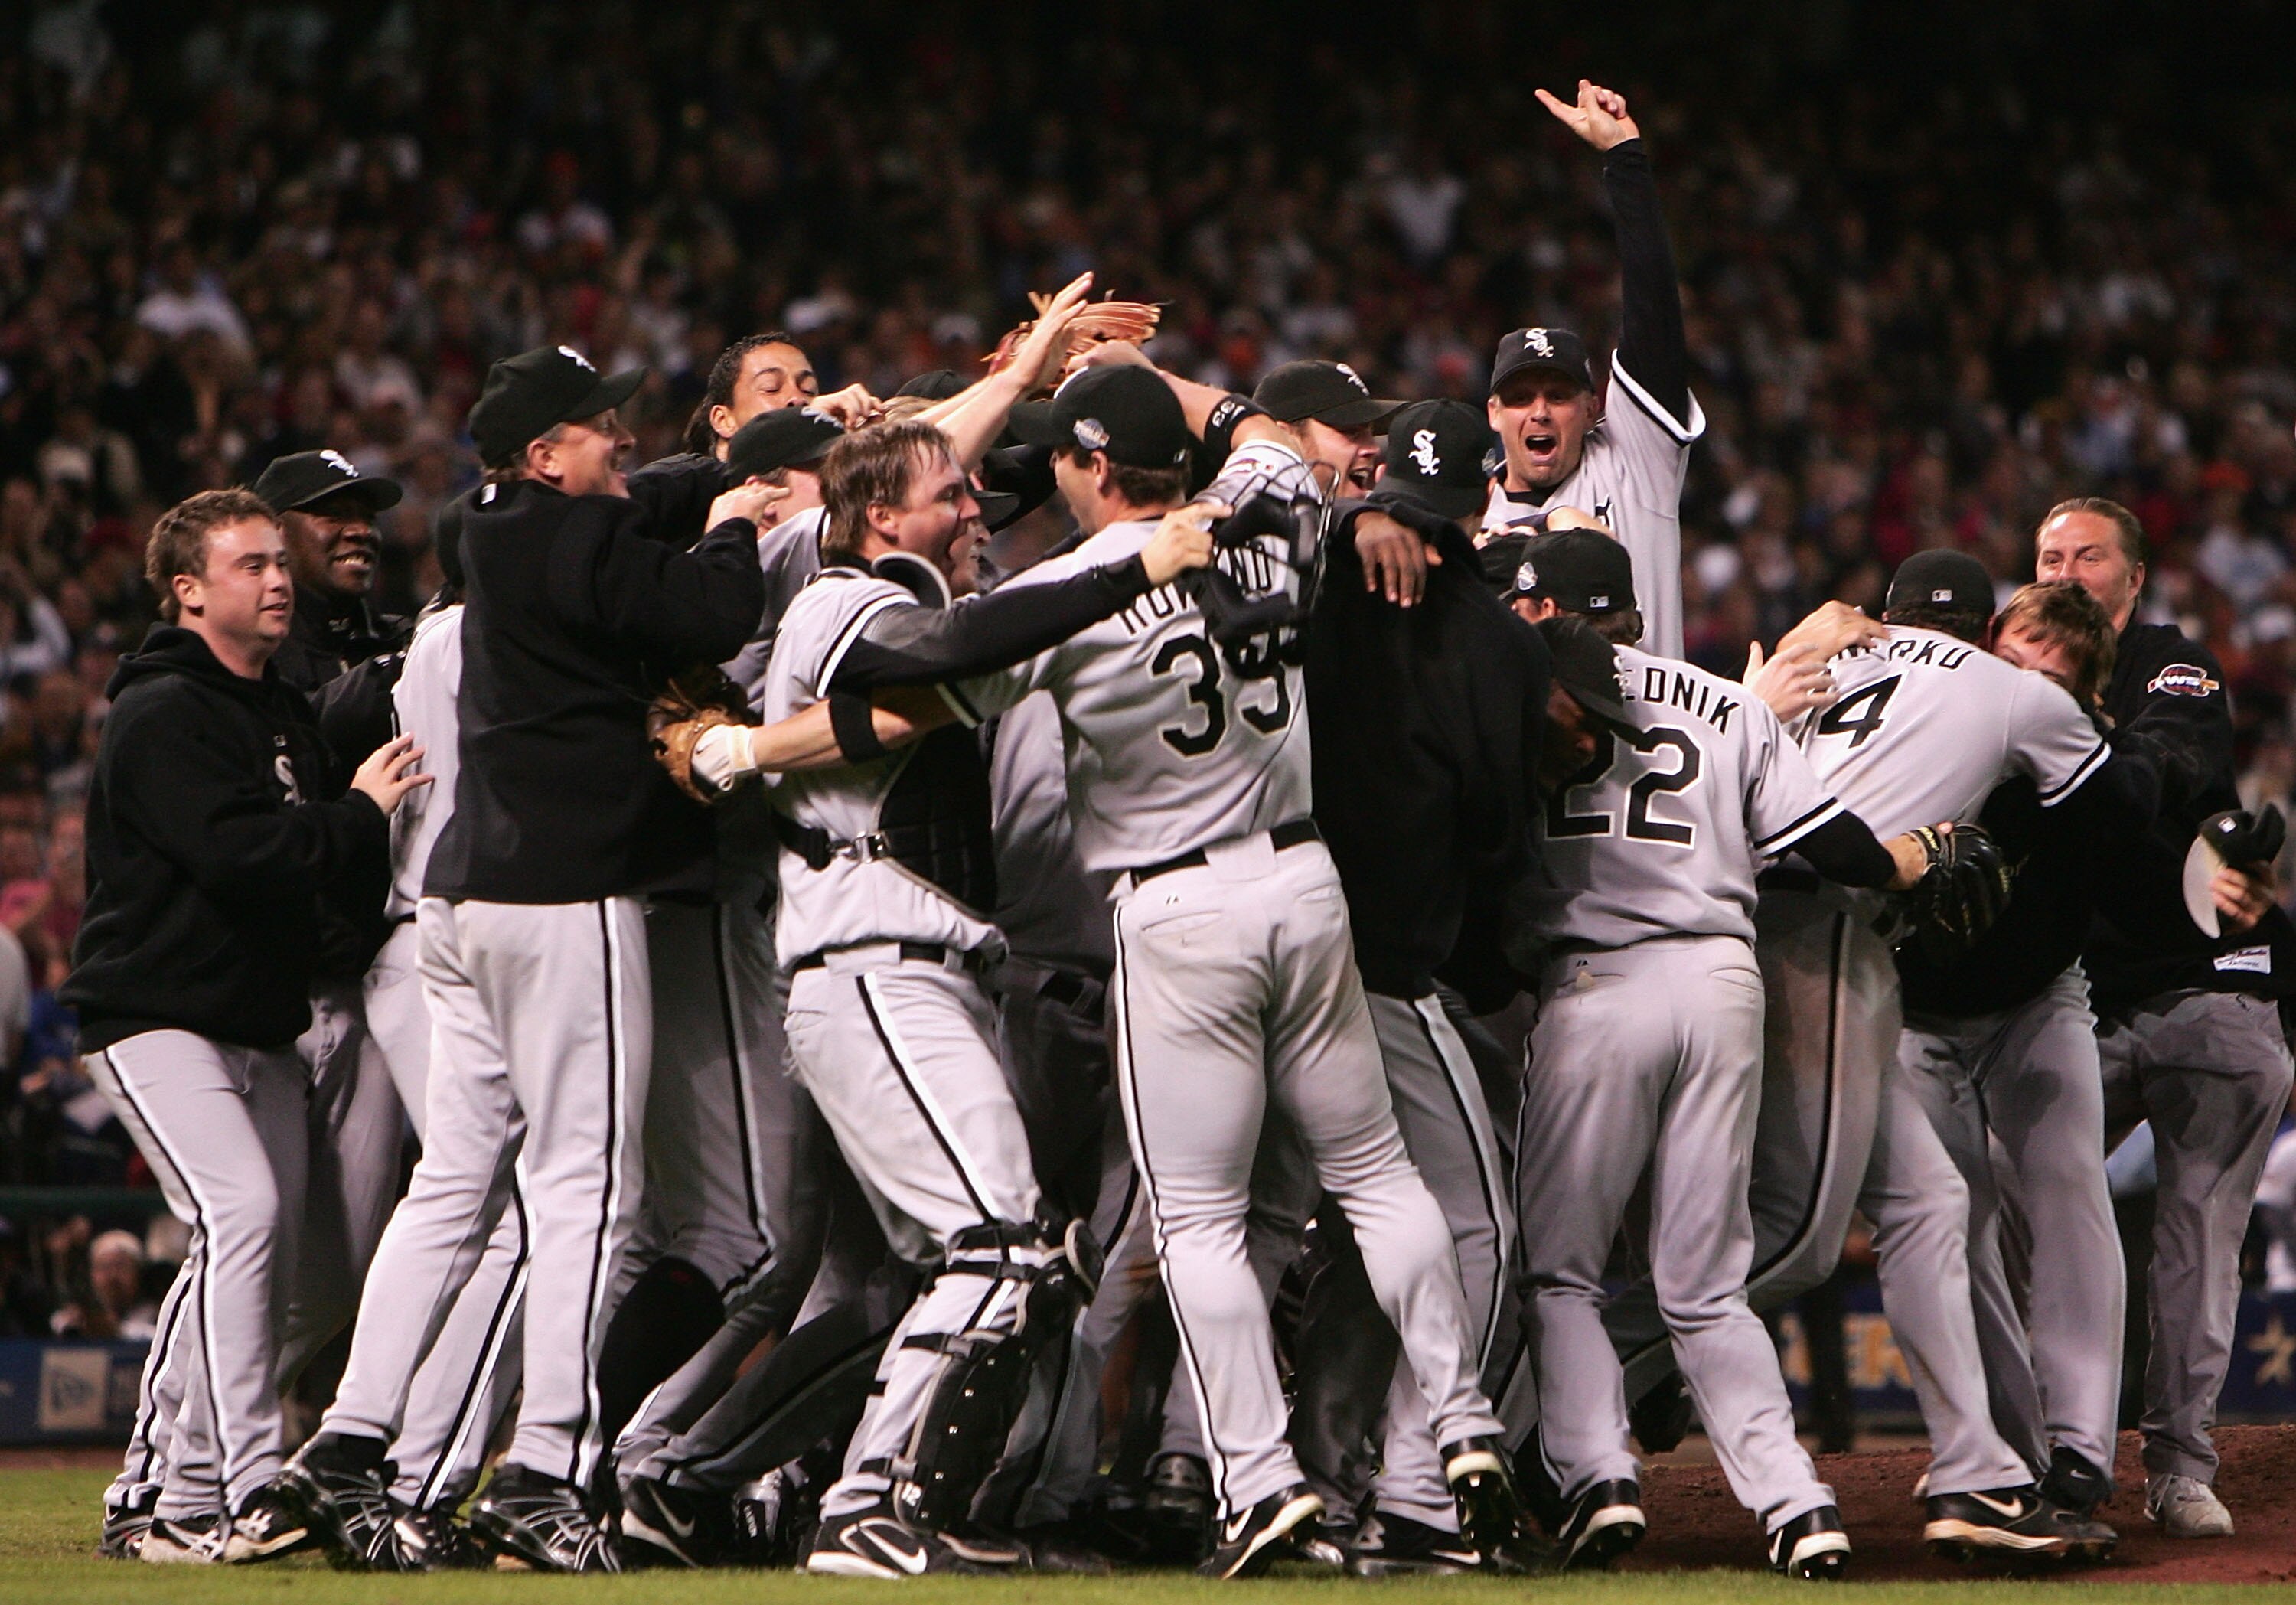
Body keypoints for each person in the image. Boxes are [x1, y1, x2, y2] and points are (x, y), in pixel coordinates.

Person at [951, 366, 1528, 1581]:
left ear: (1095, 468)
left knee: (1203, 1220)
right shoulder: (1267, 509)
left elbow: (942, 657)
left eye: (1066, 451)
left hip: (1176, 905)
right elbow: (1259, 429)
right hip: (1305, 883)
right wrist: (1156, 373)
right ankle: (1463, 1415)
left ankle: (1258, 1479)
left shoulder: (1069, 584)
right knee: (1375, 1175)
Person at [280, 344, 770, 1573]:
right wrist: (732, 521)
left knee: (453, 1184)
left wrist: (701, 479)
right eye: (599, 428)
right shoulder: (574, 537)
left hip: (460, 904)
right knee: (587, 1189)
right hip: (567, 893)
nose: (619, 442)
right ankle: (544, 1466)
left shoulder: (479, 523)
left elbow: (614, 513)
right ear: (546, 453)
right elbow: (716, 610)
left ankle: (346, 1444)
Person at [1512, 566, 1936, 1578]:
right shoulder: (1723, 699)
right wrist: (1916, 855)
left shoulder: (1522, 691)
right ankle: (1799, 1507)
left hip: (1598, 984)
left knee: (1562, 1273)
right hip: (1720, 978)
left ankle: (1596, 1477)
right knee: (1705, 1287)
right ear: (1637, 612)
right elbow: (1831, 845)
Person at [66, 488, 426, 1564]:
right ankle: (241, 1486)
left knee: (255, 1250)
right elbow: (244, 855)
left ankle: (161, 1495)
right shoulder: (160, 709)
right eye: (249, 565)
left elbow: (295, 863)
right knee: (245, 1215)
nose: (276, 580)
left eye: (280, 561)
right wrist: (357, 814)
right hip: (157, 1012)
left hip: (255, 1017)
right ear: (187, 590)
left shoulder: (279, 710)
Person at [2037, 497, 2296, 1538]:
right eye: (2049, 556)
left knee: (2195, 1237)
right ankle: (2048, 1451)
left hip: (2206, 986)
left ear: (2132, 579)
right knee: (2019, 1215)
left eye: (2087, 556)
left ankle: (2180, 1465)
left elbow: (2170, 771)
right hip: (2076, 1004)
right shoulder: (2010, 673)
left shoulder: (2169, 666)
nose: (2066, 571)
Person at [1481, 82, 1703, 659]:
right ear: (1493, 414)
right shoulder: (1470, 513)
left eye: (1558, 394)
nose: (1539, 411)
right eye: (1521, 396)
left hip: (1651, 745)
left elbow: (1654, 312)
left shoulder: (1635, 457)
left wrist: (1625, 160)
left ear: (1591, 407)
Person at [246, 450, 412, 696]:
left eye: (369, 518)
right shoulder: (249, 652)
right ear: (274, 531)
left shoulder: (401, 641)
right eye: (335, 515)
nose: (362, 531)